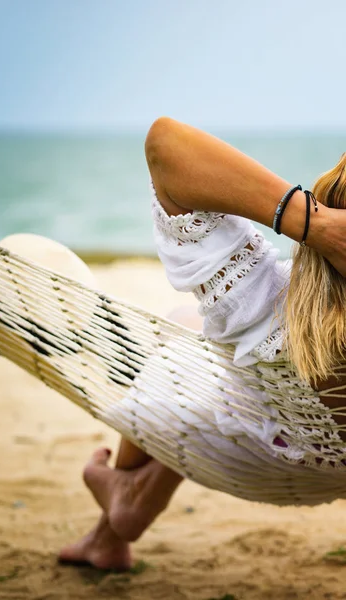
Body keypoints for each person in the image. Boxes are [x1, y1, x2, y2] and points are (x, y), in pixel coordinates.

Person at [57, 118, 346, 570]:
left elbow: (166, 144)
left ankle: (116, 523)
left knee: (181, 339)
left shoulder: (269, 313)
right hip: (293, 436)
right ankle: (113, 526)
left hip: (271, 441)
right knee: (187, 335)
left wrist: (317, 225)